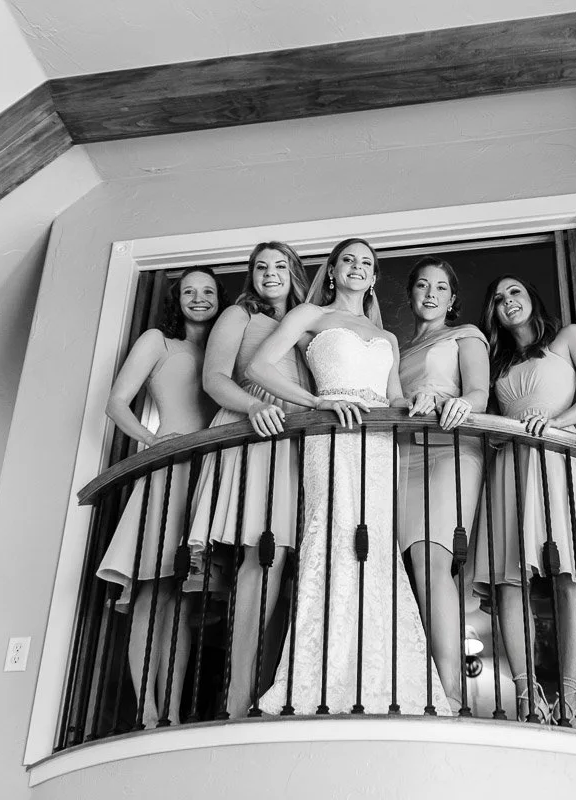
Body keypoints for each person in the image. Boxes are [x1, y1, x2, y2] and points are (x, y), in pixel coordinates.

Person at [245, 238, 451, 716]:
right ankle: (318, 682)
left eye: (367, 263)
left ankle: (384, 679)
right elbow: (256, 367)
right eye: (348, 260)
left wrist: (418, 401)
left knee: (376, 549)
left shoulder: (388, 338)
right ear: (333, 270)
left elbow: (393, 397)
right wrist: (316, 402)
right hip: (332, 437)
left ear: (374, 277)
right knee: (332, 541)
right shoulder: (310, 316)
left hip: (379, 447)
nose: (357, 267)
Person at [472, 274, 576, 727]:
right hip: (510, 465)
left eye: (515, 291)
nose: (508, 301)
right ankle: (526, 694)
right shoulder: (496, 363)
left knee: (568, 575)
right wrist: (499, 436)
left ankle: (570, 697)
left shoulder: (568, 338)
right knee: (510, 579)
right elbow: (490, 420)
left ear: (532, 297)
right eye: (498, 298)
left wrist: (556, 422)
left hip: (558, 458)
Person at [96, 267, 226, 727]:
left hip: (210, 475)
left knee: (185, 599)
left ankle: (170, 710)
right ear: (177, 299)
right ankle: (145, 711)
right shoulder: (159, 341)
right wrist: (152, 441)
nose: (199, 298)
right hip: (169, 471)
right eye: (189, 291)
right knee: (152, 591)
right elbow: (115, 403)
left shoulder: (223, 350)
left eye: (207, 291)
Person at [187, 242, 310, 718]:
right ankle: (237, 700)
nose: (269, 273)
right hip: (251, 429)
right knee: (262, 556)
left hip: (297, 442)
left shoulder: (308, 321)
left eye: (280, 265)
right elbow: (214, 378)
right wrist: (255, 406)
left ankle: (268, 692)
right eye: (261, 266)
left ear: (294, 273)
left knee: (284, 566)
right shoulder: (239, 315)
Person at [396, 256, 489, 702]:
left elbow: (479, 392)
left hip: (450, 447)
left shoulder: (465, 335)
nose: (430, 294)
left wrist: (461, 403)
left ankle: (451, 692)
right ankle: (419, 684)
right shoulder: (395, 349)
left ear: (452, 299)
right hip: (404, 456)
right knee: (411, 568)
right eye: (422, 285)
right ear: (411, 293)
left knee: (433, 561)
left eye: (440, 287)